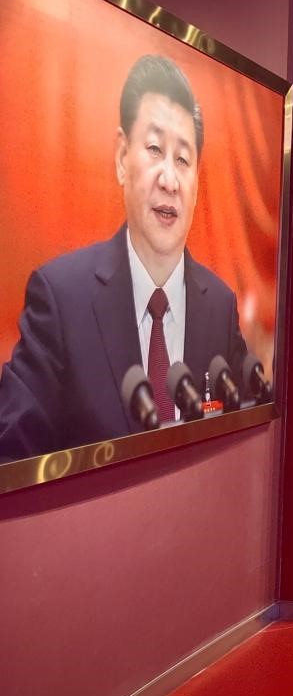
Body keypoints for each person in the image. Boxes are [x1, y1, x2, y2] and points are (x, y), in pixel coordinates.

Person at [0, 55, 249, 462]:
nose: (169, 180)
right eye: (154, 149)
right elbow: (12, 458)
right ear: (121, 158)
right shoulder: (60, 299)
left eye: (183, 159)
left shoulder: (220, 307)